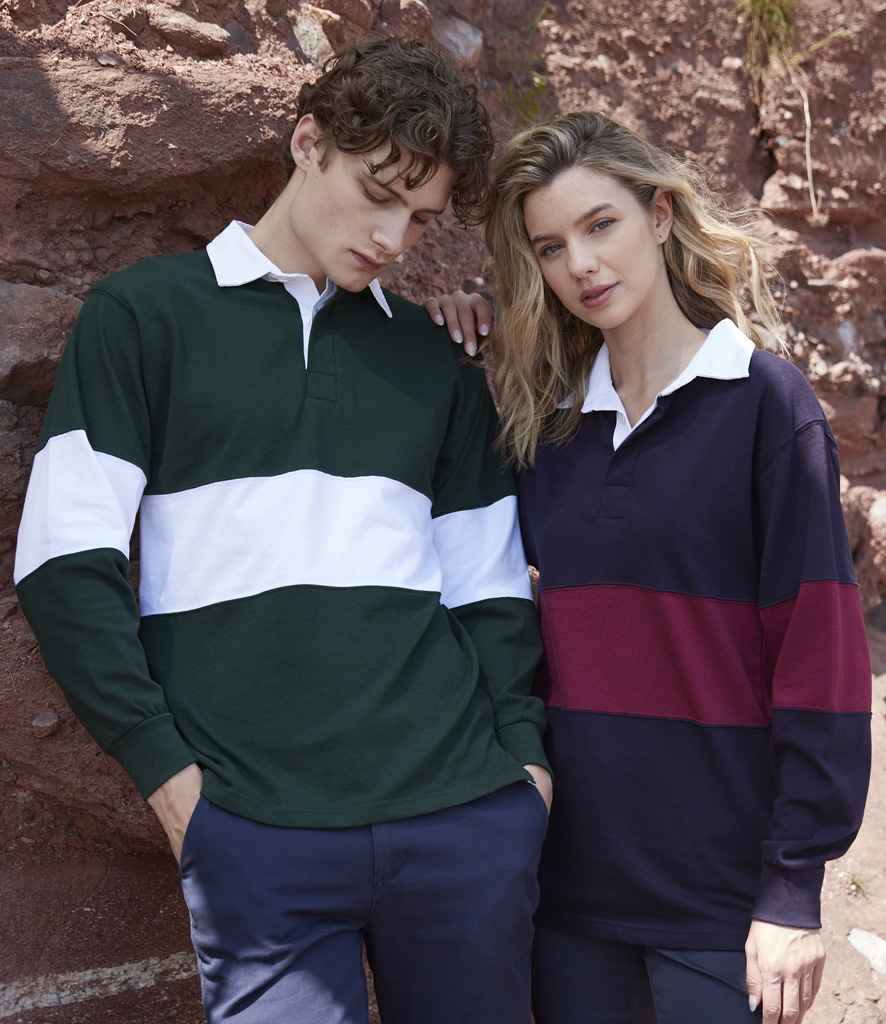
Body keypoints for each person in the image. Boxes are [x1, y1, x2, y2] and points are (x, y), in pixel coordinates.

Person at [13, 38, 553, 1024]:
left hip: (462, 821)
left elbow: (488, 589)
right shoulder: (145, 316)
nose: (392, 236)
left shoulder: (431, 360)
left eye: (419, 217)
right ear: (308, 143)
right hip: (253, 834)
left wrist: (523, 773)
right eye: (377, 193)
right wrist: (167, 777)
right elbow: (63, 561)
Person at [425, 111, 872, 1024]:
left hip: (720, 897)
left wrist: (793, 888)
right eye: (551, 247)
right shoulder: (546, 424)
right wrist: (454, 329)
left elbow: (820, 657)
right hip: (569, 889)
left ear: (660, 216)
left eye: (602, 225)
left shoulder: (765, 404)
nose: (582, 265)